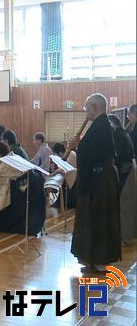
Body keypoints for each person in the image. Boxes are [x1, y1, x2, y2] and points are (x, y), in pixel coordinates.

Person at [69, 93, 121, 273]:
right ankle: (91, 258)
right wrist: (80, 145)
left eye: (86, 107)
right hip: (97, 178)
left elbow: (91, 154)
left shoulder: (103, 126)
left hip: (100, 180)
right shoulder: (100, 125)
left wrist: (77, 146)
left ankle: (100, 260)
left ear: (94, 107)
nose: (85, 111)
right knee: (92, 218)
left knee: (100, 218)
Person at [108, 114, 137, 245]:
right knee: (125, 206)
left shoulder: (118, 135)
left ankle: (125, 238)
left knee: (125, 207)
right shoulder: (122, 133)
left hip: (126, 170)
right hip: (128, 169)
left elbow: (119, 157)